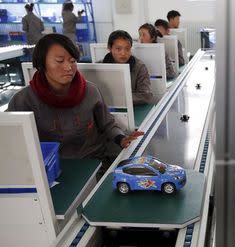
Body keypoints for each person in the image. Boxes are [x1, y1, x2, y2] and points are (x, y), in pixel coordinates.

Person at [7, 33, 142, 164]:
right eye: (60, 61)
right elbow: (10, 142)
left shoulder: (90, 91)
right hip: (49, 168)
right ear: (42, 63)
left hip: (93, 161)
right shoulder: (23, 101)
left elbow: (108, 123)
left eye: (72, 61)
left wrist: (121, 138)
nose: (68, 67)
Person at [102, 30, 154, 105]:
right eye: (118, 49)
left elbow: (145, 96)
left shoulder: (139, 67)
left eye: (127, 49)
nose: (123, 53)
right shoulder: (100, 67)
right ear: (109, 48)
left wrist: (116, 99)